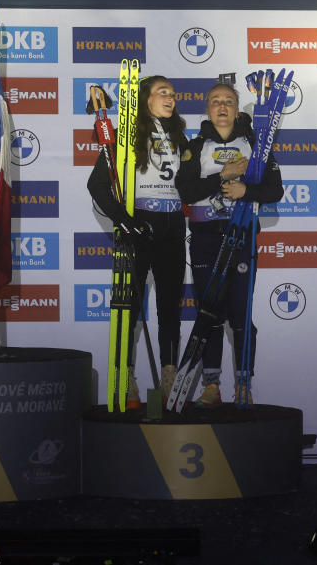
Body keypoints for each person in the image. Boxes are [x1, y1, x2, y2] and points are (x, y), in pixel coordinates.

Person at [175, 81, 282, 406]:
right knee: (209, 314)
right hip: (206, 239)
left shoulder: (256, 144)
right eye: (215, 101)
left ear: (237, 109)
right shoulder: (194, 146)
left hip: (242, 238)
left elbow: (275, 189)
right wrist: (223, 176)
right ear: (207, 109)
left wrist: (245, 191)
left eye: (228, 102)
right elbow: (186, 190)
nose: (222, 107)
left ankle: (243, 386)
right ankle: (211, 386)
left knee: (240, 315)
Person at [87, 75, 189, 405]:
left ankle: (169, 378)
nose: (170, 98)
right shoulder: (128, 136)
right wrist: (124, 220)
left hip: (173, 228)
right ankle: (125, 378)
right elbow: (97, 186)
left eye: (172, 94)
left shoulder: (180, 137)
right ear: (144, 99)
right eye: (162, 93)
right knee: (129, 308)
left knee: (170, 306)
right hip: (140, 225)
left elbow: (201, 174)